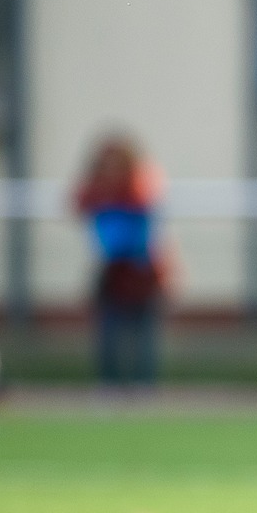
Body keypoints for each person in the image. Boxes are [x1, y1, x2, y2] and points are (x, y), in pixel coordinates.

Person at [74, 135, 166, 388]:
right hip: (111, 271)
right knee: (108, 332)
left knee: (143, 333)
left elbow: (148, 212)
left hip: (140, 271)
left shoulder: (141, 189)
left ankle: (143, 383)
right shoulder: (97, 194)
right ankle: (109, 382)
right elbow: (78, 203)